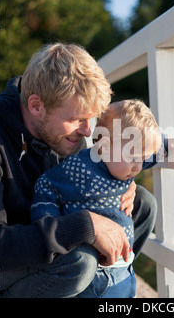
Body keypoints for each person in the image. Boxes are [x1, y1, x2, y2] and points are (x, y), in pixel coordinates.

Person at [0, 43, 166, 298]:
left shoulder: (66, 133)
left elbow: (106, 162)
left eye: (90, 119)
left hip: (32, 234)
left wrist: (126, 182)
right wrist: (85, 225)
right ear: (36, 105)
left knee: (143, 204)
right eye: (77, 119)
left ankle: (107, 288)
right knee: (78, 262)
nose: (87, 131)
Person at [30, 99, 162, 298]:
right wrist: (49, 219)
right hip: (98, 276)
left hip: (124, 270)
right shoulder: (80, 169)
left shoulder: (123, 160)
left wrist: (166, 146)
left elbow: (145, 150)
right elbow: (46, 184)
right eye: (134, 158)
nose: (139, 167)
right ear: (105, 147)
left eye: (144, 159)